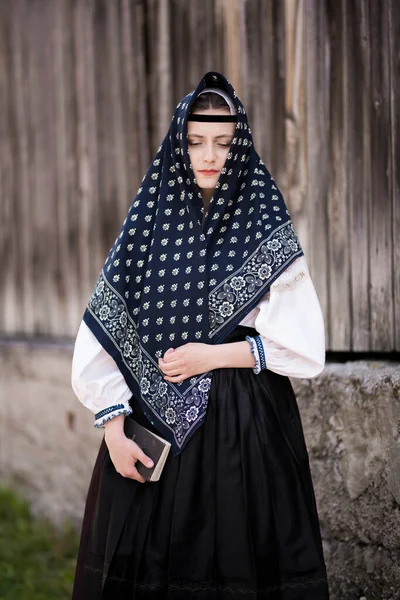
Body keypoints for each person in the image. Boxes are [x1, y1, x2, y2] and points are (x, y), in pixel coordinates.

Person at [71, 71, 330, 599]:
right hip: (150, 436)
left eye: (223, 142)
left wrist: (212, 355)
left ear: (241, 145)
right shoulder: (148, 221)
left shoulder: (262, 219)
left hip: (245, 429)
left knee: (238, 562)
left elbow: (304, 348)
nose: (208, 155)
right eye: (194, 142)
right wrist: (114, 431)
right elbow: (104, 330)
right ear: (178, 144)